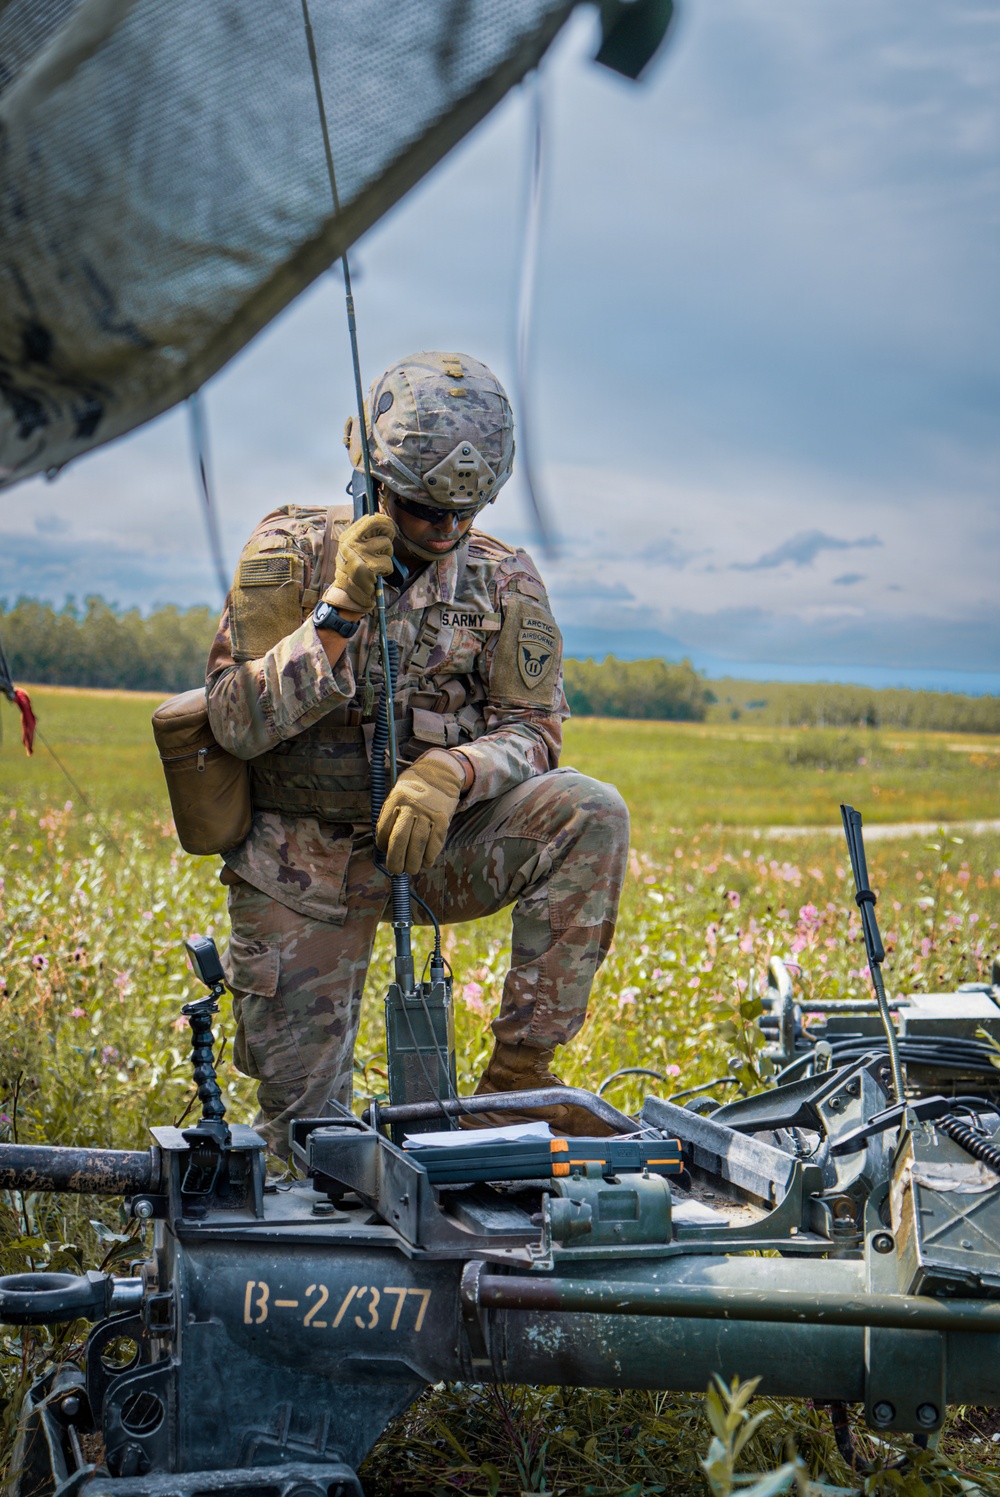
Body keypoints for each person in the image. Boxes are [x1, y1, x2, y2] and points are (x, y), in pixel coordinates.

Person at [207, 351, 629, 1155]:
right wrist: (332, 616)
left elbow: (534, 730)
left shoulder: (503, 581)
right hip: (301, 863)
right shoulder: (290, 554)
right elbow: (233, 723)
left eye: (463, 514)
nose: (445, 531)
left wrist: (455, 771)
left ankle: (514, 1090)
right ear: (370, 478)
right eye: (423, 509)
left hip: (433, 848)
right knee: (304, 1143)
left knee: (590, 812)